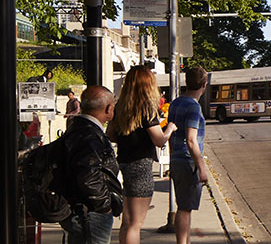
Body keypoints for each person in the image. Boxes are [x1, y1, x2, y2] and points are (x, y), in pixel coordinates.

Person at [110, 66, 177, 244]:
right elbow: (159, 140)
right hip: (141, 166)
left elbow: (110, 134)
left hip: (124, 161)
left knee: (127, 222)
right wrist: (169, 128)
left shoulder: (120, 107)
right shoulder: (146, 109)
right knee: (135, 224)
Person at [56, 85, 122, 244]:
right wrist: (105, 206)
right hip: (90, 213)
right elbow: (88, 176)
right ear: (108, 108)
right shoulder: (90, 136)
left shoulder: (79, 129)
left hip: (82, 210)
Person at [168, 66, 209, 244]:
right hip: (187, 161)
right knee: (185, 208)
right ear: (204, 85)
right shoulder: (194, 107)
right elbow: (191, 140)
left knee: (183, 205)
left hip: (176, 159)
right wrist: (201, 167)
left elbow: (171, 135)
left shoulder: (176, 103)